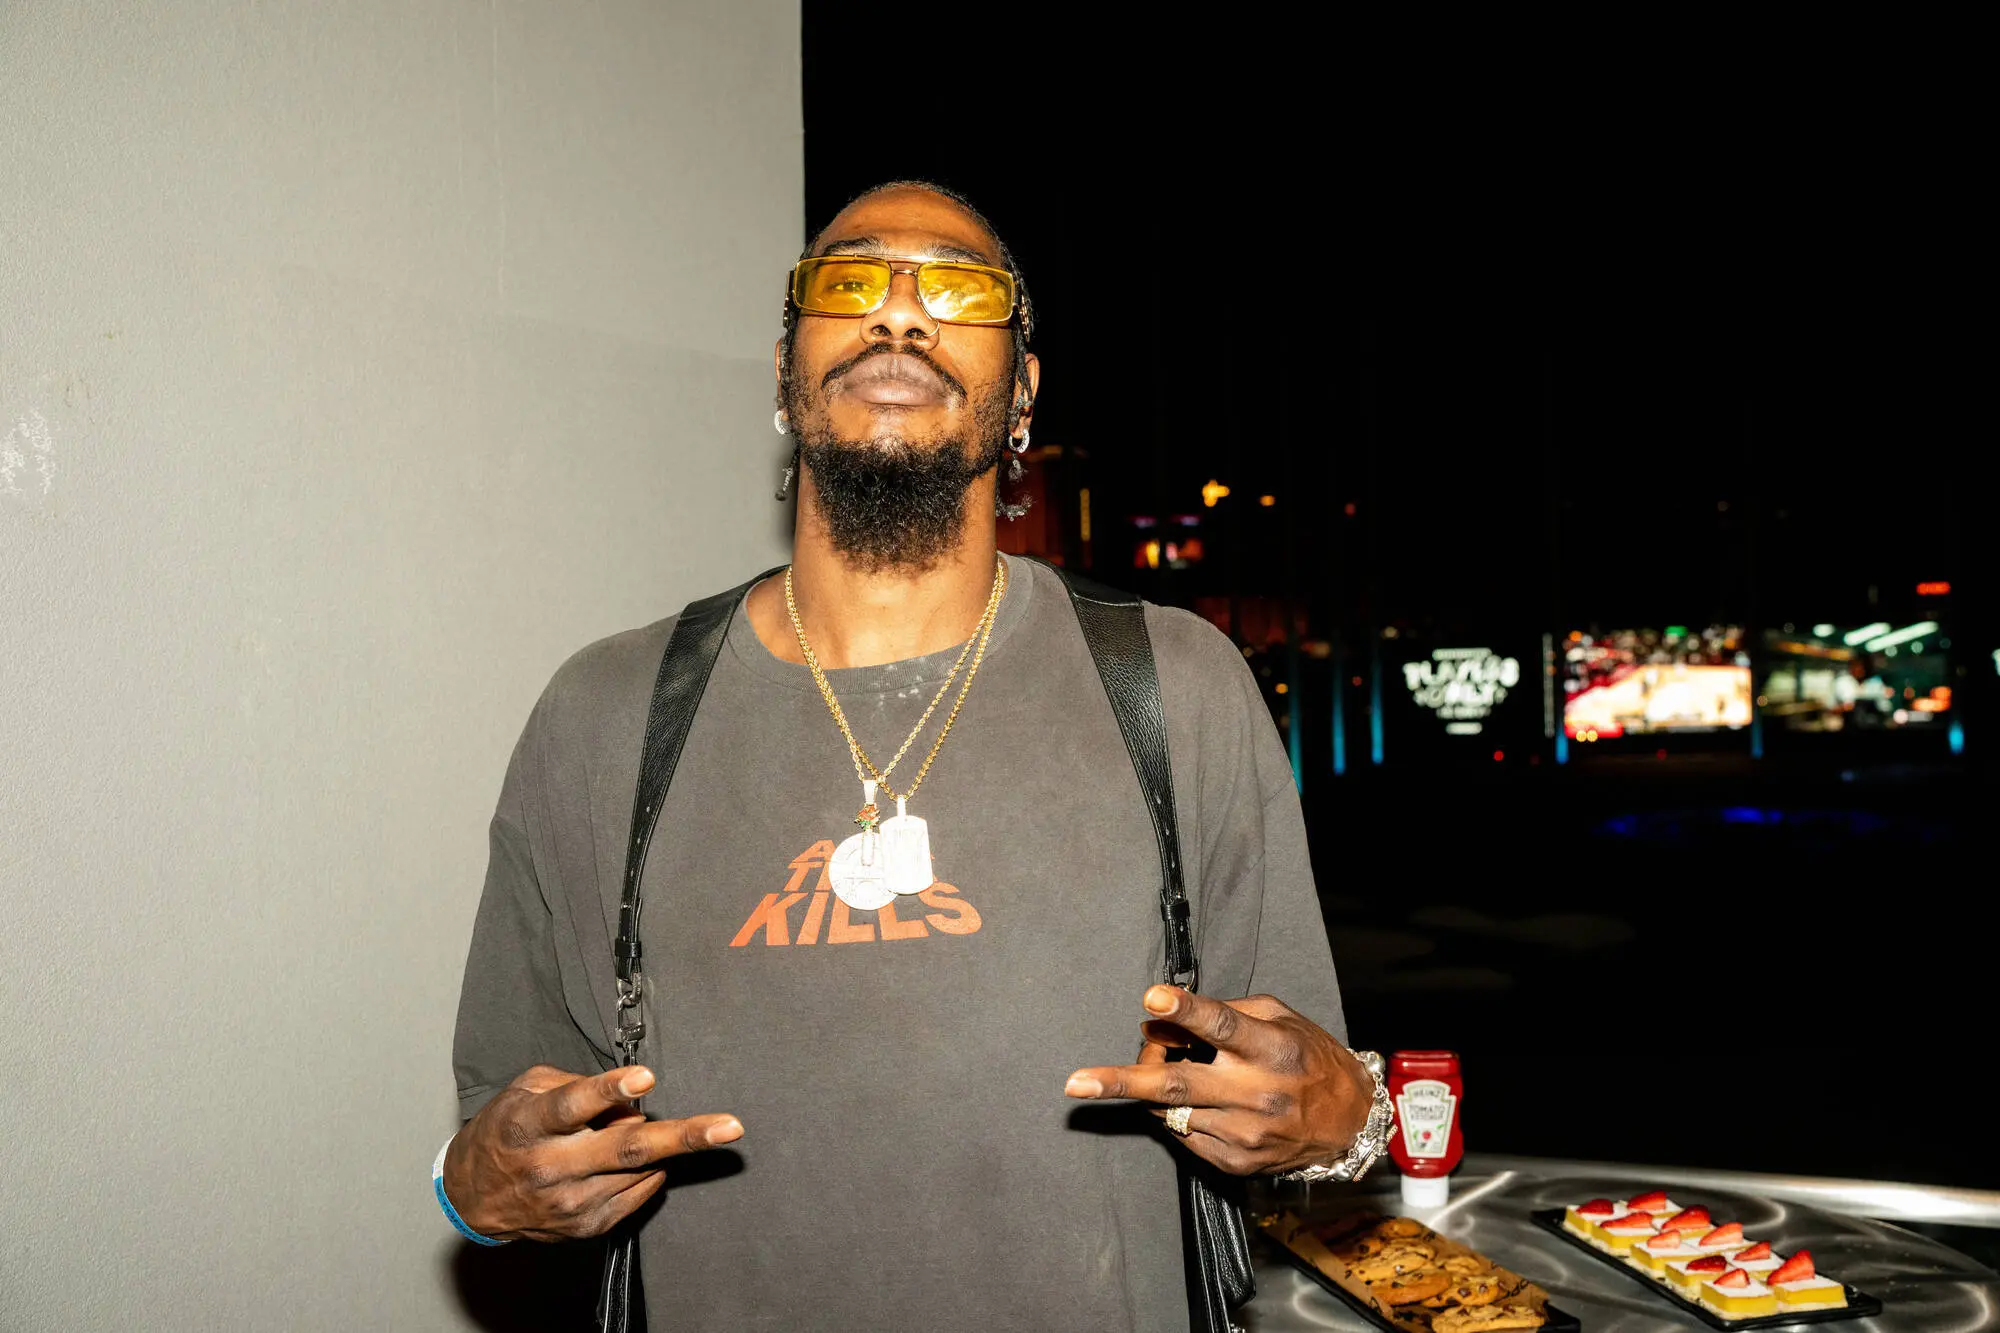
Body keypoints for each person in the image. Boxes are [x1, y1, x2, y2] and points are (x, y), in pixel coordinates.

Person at [442, 181, 1378, 1331]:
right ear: (787, 369)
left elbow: (1313, 1100)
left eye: (956, 288)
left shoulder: (1174, 684)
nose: (897, 311)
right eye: (849, 280)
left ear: (1021, 391)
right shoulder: (603, 712)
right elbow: (499, 1135)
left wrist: (1345, 1120)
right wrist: (475, 1189)